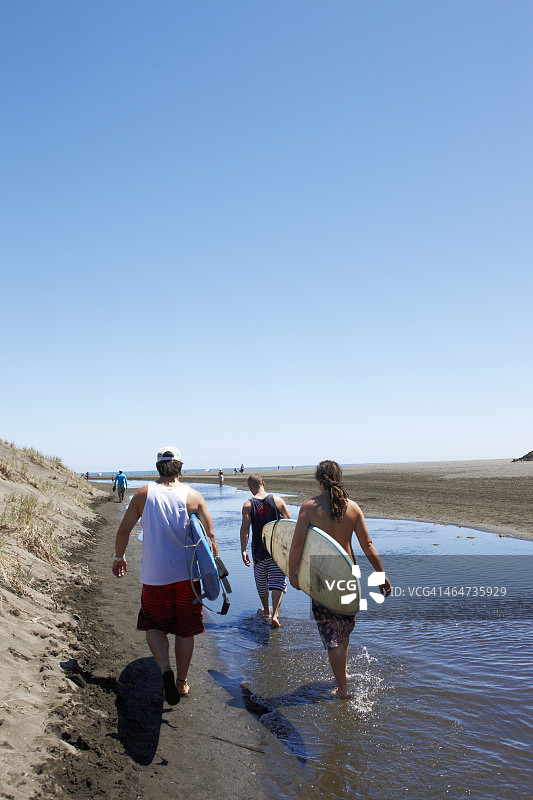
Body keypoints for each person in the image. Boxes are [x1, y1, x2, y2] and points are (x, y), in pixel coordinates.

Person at [112, 446, 219, 705]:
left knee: (154, 626)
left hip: (154, 577)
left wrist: (119, 558)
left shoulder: (143, 494)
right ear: (180, 467)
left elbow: (123, 531)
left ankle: (165, 672)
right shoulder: (193, 496)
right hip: (187, 579)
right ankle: (181, 683)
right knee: (185, 631)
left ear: (158, 467)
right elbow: (211, 538)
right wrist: (213, 569)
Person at [289, 460, 391, 699]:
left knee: (332, 636)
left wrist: (293, 574)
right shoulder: (353, 508)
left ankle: (342, 689)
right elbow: (368, 545)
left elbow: (296, 546)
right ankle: (342, 674)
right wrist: (381, 575)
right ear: (340, 479)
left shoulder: (308, 508)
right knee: (343, 630)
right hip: (349, 575)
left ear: (319, 481)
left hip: (322, 579)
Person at [240, 474, 291, 628]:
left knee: (261, 584)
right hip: (277, 552)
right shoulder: (278, 501)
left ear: (250, 488)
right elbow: (290, 526)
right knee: (278, 583)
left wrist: (243, 550)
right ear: (263, 483)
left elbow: (245, 530)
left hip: (259, 552)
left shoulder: (248, 505)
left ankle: (267, 611)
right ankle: (275, 614)